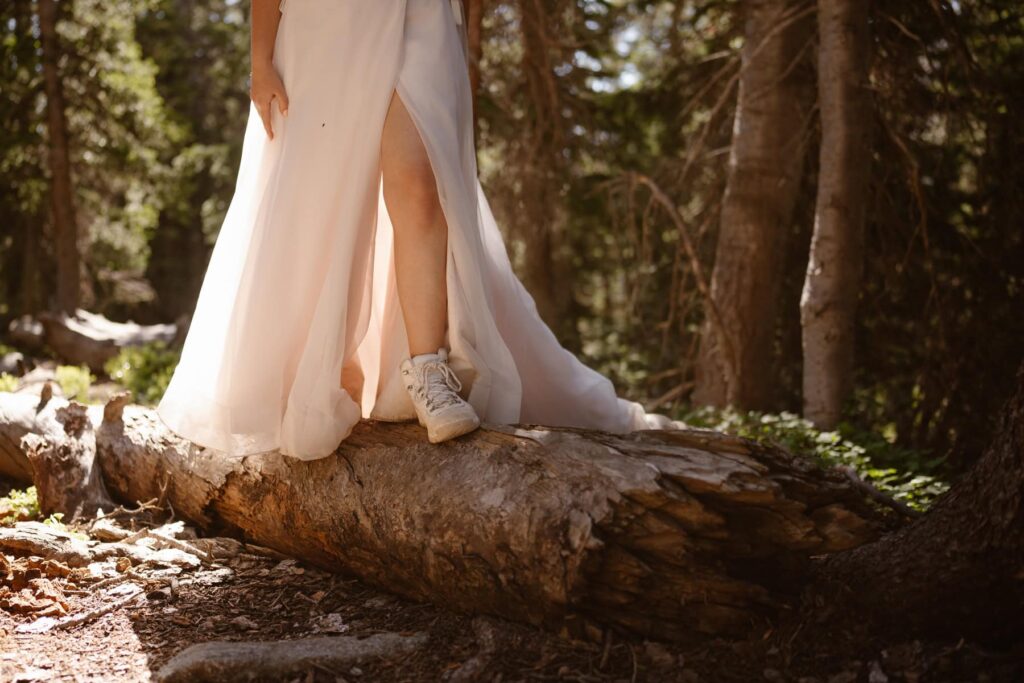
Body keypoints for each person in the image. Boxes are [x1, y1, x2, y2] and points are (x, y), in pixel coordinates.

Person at [156, 0, 680, 460]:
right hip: (325, 24)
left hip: (426, 19)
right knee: (327, 194)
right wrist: (260, 58)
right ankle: (328, 369)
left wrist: (468, 47)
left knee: (420, 184)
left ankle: (428, 369)